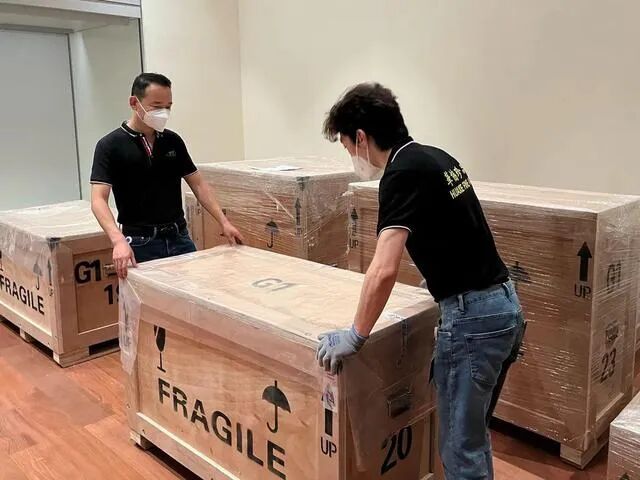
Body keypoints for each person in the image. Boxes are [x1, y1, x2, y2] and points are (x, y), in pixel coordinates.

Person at [316, 82, 526, 480]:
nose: (351, 157)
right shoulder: (436, 158)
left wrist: (356, 335)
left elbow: (383, 269)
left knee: (460, 449)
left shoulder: (400, 174)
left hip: (473, 324)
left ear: (361, 137)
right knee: (473, 437)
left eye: (346, 146)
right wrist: (438, 279)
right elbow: (461, 231)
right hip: (503, 308)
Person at [90, 73, 243, 279]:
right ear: (134, 103)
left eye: (168, 106)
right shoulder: (110, 146)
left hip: (179, 237)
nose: (163, 112)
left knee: (191, 295)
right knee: (149, 299)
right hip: (140, 243)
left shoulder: (172, 141)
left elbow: (198, 185)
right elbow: (98, 199)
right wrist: (118, 240)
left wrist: (223, 221)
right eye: (156, 106)